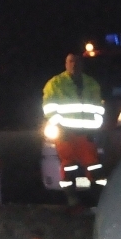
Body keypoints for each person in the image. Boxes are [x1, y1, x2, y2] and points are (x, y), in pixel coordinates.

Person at [42, 53, 105, 199]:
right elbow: (49, 108)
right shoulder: (55, 83)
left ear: (82, 64)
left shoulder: (92, 83)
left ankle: (98, 201)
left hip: (86, 133)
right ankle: (72, 202)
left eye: (76, 62)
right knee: (69, 167)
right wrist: (59, 127)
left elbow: (98, 109)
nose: (74, 65)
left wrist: (95, 129)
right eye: (70, 62)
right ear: (66, 64)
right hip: (66, 133)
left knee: (94, 166)